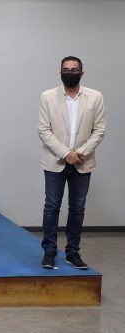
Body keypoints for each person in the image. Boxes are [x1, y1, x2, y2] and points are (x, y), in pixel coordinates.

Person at [38, 56, 105, 270]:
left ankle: (72, 253)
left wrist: (79, 153)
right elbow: (44, 130)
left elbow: (99, 130)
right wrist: (66, 153)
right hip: (55, 161)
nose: (70, 72)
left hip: (83, 162)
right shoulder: (47, 96)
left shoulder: (95, 97)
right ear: (60, 72)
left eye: (74, 69)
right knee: (51, 207)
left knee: (77, 209)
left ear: (81, 73)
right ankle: (49, 252)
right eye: (66, 69)